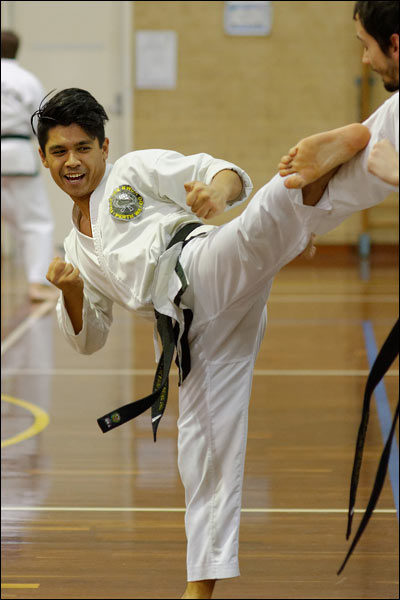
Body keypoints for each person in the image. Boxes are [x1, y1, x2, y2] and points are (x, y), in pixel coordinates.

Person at [1, 30, 57, 302]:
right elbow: (42, 121)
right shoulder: (28, 81)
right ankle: (37, 284)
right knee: (35, 222)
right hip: (18, 153)